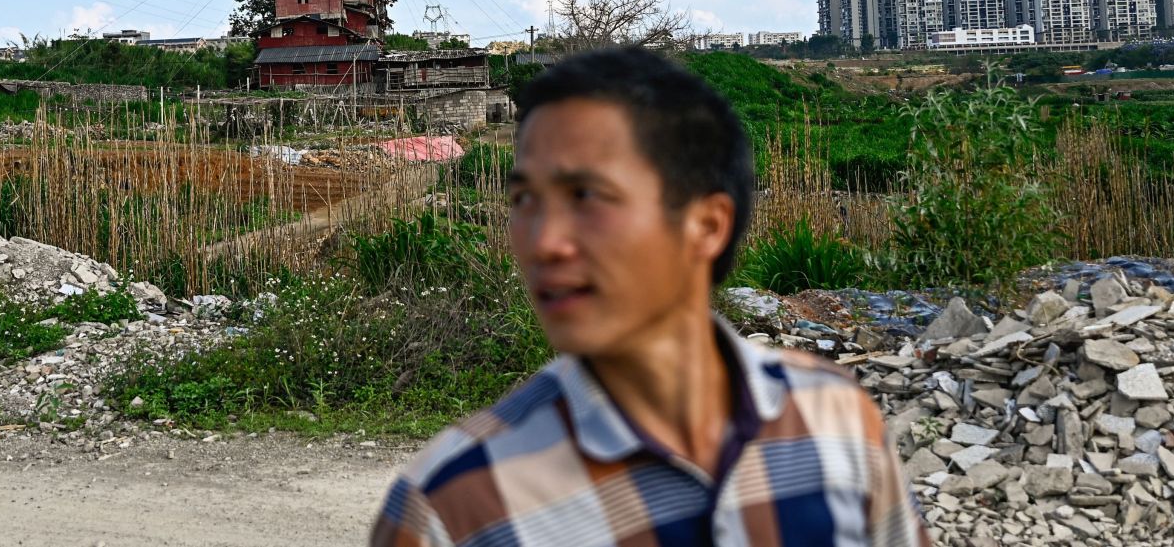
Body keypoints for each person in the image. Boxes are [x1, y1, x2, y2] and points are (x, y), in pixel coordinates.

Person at [370, 47, 928, 546]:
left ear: (707, 225)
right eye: (525, 201)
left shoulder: (834, 418)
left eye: (587, 195)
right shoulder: (455, 509)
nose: (543, 243)